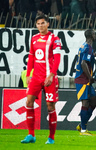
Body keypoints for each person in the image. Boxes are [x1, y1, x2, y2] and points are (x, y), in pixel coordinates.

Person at [21, 14, 61, 144]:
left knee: (50, 107)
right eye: (38, 24)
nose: (40, 26)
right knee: (29, 102)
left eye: (43, 23)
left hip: (49, 78)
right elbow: (31, 56)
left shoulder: (54, 39)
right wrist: (28, 74)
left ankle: (51, 137)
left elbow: (57, 59)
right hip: (36, 77)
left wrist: (51, 75)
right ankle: (31, 135)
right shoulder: (34, 39)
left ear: (48, 24)